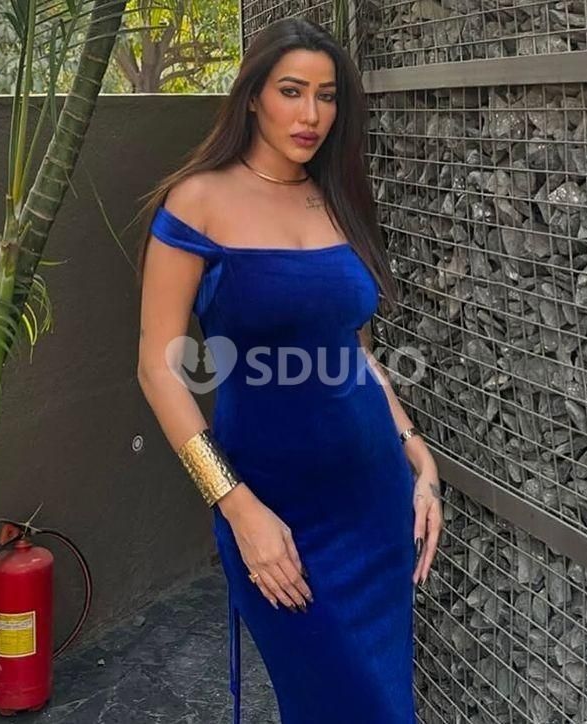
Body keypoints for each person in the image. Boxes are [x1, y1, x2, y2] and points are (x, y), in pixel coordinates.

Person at [135, 16, 443, 724]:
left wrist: (414, 451)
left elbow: (353, 350)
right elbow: (156, 367)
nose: (311, 115)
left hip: (374, 502)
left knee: (385, 704)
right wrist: (237, 508)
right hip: (273, 511)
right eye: (292, 91)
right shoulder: (197, 201)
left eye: (327, 96)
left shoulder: (338, 196)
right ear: (253, 97)